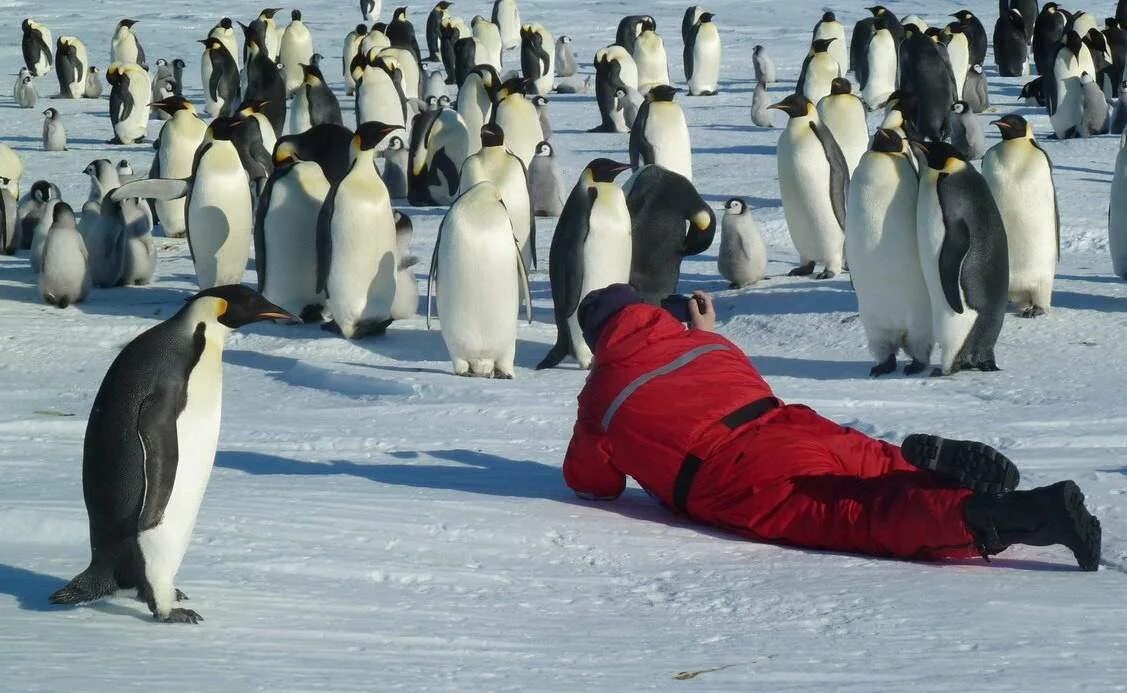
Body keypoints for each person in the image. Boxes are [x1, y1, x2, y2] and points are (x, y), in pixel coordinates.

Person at [562, 284, 1102, 570]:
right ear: (647, 311)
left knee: (857, 511)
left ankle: (1006, 516)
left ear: (597, 338)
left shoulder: (603, 394)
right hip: (792, 423)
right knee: (886, 467)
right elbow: (718, 371)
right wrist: (704, 332)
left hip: (739, 473)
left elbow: (593, 482)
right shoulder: (703, 343)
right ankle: (946, 477)